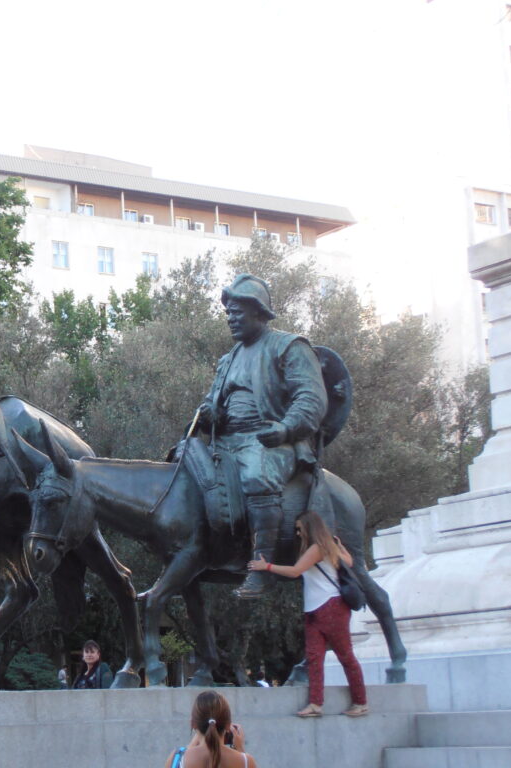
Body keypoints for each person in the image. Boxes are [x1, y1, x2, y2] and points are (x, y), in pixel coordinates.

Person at [196, 273, 327, 598]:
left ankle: (261, 568)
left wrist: (285, 427)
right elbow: (213, 398)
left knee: (256, 474)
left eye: (237, 312)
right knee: (185, 465)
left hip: (271, 441)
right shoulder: (228, 360)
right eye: (228, 313)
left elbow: (311, 397)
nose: (230, 319)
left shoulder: (288, 346)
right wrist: (211, 412)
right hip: (226, 442)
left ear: (258, 312)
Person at [248, 510, 368, 718]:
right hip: (315, 609)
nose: (297, 533)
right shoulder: (327, 546)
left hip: (330, 607)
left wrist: (266, 566)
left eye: (299, 528)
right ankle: (316, 704)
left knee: (345, 655)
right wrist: (340, 546)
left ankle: (360, 701)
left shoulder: (317, 548)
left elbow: (295, 571)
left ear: (309, 528)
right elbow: (348, 562)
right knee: (314, 658)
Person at [163, 690, 256, 768]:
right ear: (228, 725)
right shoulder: (246, 762)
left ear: (193, 724)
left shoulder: (177, 759)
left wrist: (192, 744)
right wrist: (240, 749)